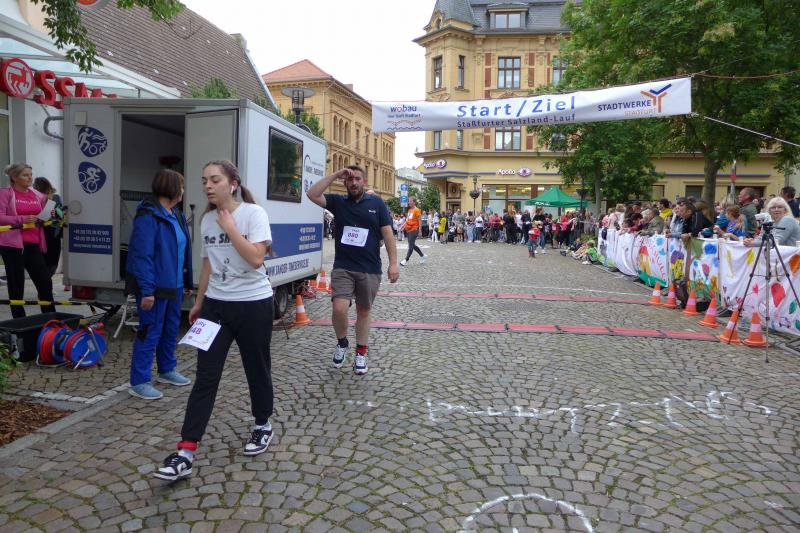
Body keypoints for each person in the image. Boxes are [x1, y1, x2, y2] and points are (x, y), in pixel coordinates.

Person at [154, 160, 275, 481]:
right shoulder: (207, 220)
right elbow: (209, 262)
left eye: (215, 179)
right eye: (204, 180)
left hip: (253, 305)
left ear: (232, 184)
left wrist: (231, 228)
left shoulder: (253, 214)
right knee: (206, 377)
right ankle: (185, 452)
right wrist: (199, 301)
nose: (207, 185)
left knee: (256, 368)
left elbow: (256, 258)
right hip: (216, 308)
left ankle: (262, 424)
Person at [307, 165, 399, 375]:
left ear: (364, 181)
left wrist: (393, 263)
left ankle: (361, 352)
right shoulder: (338, 202)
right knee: (339, 308)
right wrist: (336, 174)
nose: (354, 182)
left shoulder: (377, 203)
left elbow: (387, 234)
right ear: (345, 182)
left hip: (369, 268)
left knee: (363, 311)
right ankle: (342, 342)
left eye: (358, 178)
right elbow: (312, 194)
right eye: (350, 179)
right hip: (344, 267)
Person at [125, 169, 193, 400]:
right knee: (150, 332)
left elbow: (182, 250)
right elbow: (141, 255)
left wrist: (186, 281)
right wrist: (147, 290)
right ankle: (139, 381)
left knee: (170, 329)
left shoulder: (176, 214)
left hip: (174, 286)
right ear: (172, 188)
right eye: (181, 186)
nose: (183, 191)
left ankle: (167, 369)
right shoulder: (148, 215)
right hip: (154, 287)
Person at [0, 164, 55, 318]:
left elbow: (45, 212)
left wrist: (48, 214)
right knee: (17, 285)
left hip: (33, 244)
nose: (30, 178)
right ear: (14, 178)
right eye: (25, 175)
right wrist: (22, 219)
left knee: (45, 281)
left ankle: (50, 318)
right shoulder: (5, 193)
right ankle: (19, 321)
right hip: (12, 246)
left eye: (30, 174)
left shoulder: (36, 194)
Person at [32, 177, 64, 277]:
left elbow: (44, 217)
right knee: (50, 263)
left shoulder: (52, 198)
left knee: (47, 263)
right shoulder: (56, 197)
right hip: (52, 234)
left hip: (48, 234)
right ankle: (46, 282)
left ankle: (45, 283)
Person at [399, 197, 427, 266]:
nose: (409, 202)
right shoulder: (409, 210)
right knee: (412, 245)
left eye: (410, 201)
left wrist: (420, 231)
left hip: (414, 229)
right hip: (408, 229)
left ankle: (406, 260)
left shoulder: (417, 210)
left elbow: (419, 221)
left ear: (414, 202)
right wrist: (402, 226)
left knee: (410, 246)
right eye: (409, 201)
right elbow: (407, 220)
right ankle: (423, 256)